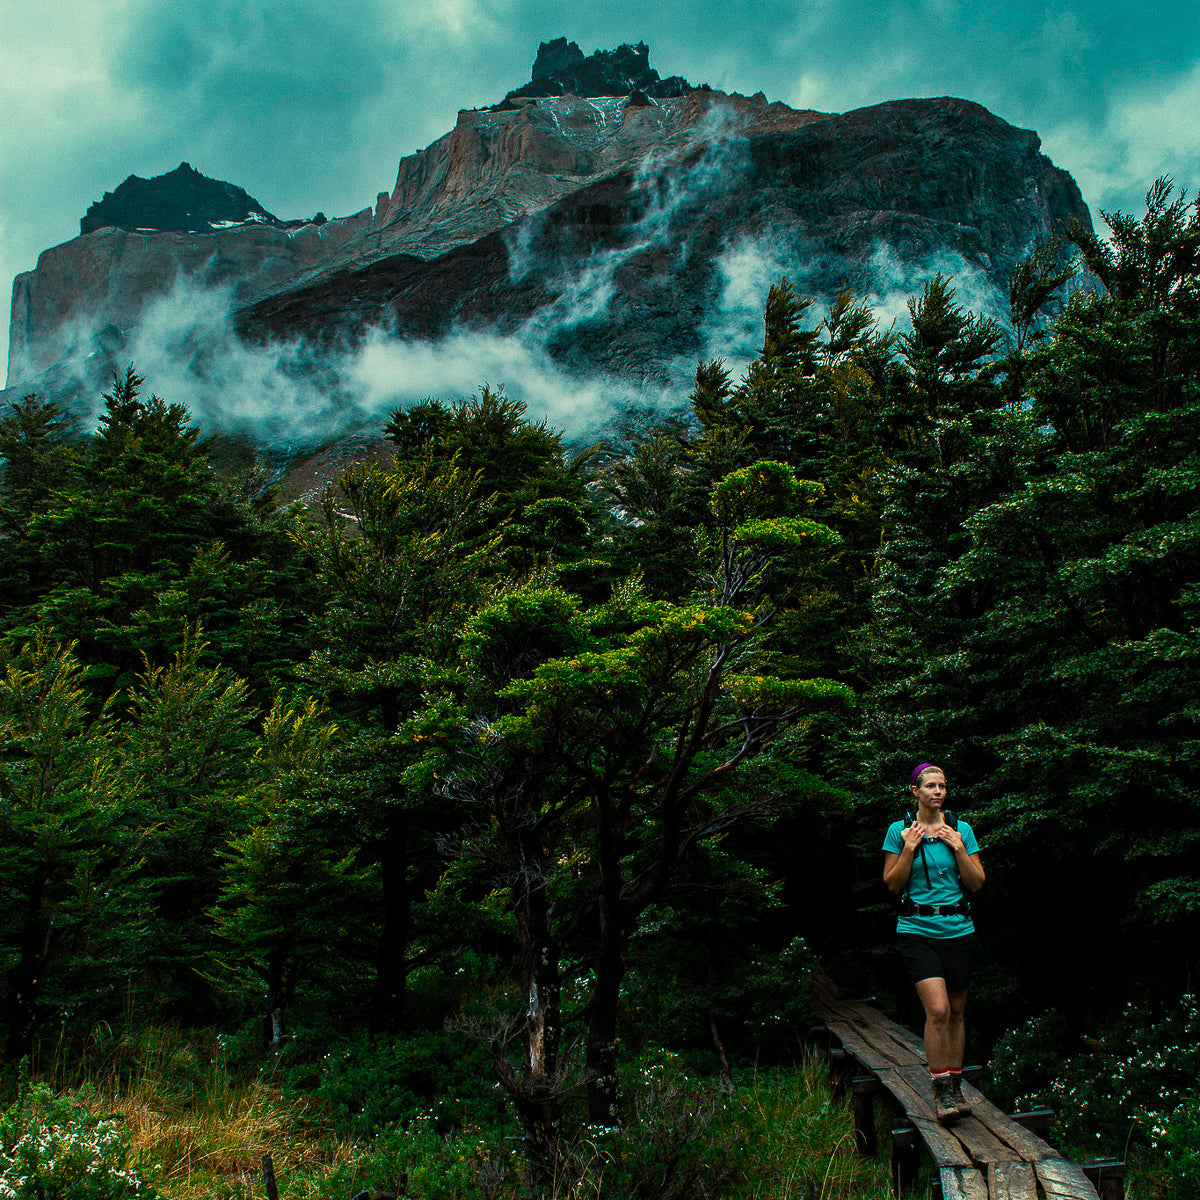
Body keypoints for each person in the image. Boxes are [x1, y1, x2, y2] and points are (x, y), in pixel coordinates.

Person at [883, 763, 985, 1123]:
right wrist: (909, 849)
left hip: (958, 930)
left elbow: (977, 882)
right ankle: (940, 1089)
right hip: (917, 930)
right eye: (930, 786)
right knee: (938, 1010)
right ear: (916, 792)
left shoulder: (961, 829)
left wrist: (958, 848)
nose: (938, 791)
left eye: (942, 785)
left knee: (957, 1012)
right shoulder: (899, 831)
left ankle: (955, 1084)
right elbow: (893, 885)